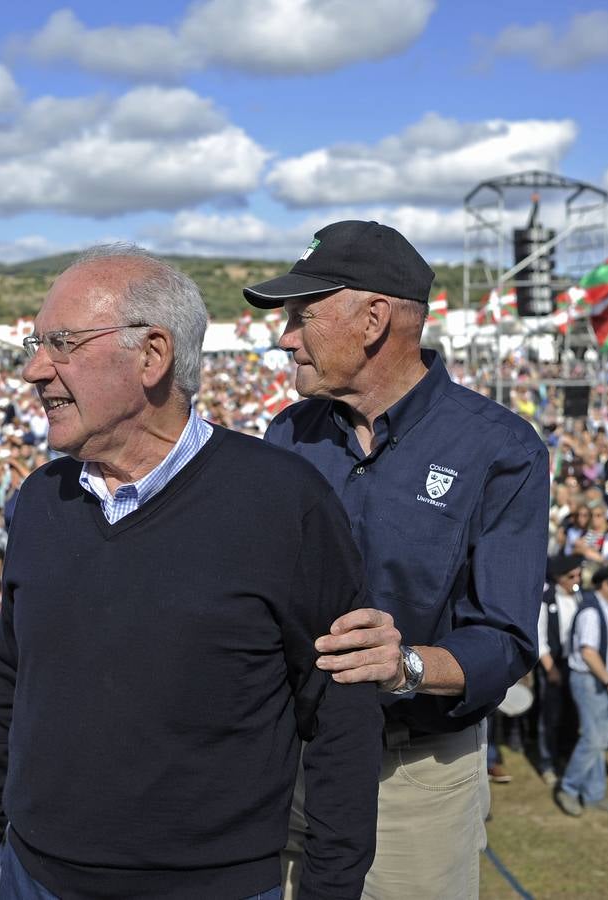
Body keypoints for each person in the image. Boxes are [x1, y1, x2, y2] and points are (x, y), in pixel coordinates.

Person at [0, 245, 381, 900]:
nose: (35, 370)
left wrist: (329, 891)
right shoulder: (40, 502)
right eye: (37, 345)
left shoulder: (283, 502)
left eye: (61, 344)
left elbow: (342, 715)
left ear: (152, 355)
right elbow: (10, 682)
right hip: (32, 877)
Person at [243, 220, 548, 897]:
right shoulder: (288, 434)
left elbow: (505, 639)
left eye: (302, 316)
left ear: (374, 319)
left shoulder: (499, 447)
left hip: (411, 783)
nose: (284, 337)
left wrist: (405, 665)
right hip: (289, 765)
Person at [556, 566, 608, 817]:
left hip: (601, 680)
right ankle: (568, 787)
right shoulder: (591, 611)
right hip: (590, 681)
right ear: (605, 585)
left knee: (600, 740)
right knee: (593, 739)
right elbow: (588, 653)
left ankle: (594, 794)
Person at [536, 553, 584, 786]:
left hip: (572, 663)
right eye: (571, 576)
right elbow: (539, 639)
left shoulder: (580, 598)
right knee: (551, 716)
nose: (577, 579)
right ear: (558, 578)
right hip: (553, 663)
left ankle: (566, 754)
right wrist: (550, 668)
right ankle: (547, 762)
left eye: (579, 574)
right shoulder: (547, 600)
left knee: (571, 714)